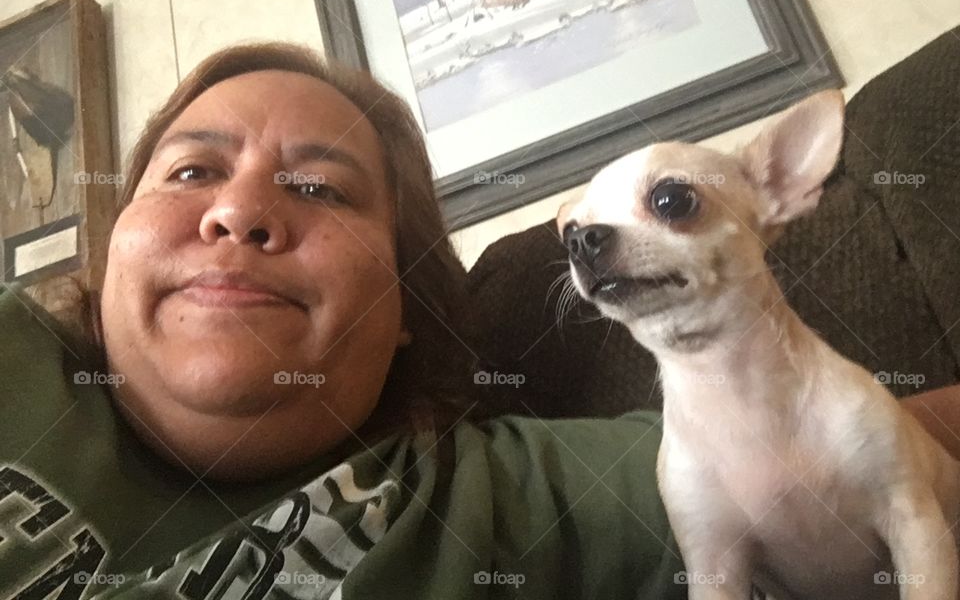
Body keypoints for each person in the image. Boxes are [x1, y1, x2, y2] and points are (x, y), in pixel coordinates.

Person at [0, 42, 955, 599]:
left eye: (319, 188)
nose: (237, 211)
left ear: (410, 303)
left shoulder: (495, 494)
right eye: (191, 170)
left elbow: (869, 450)